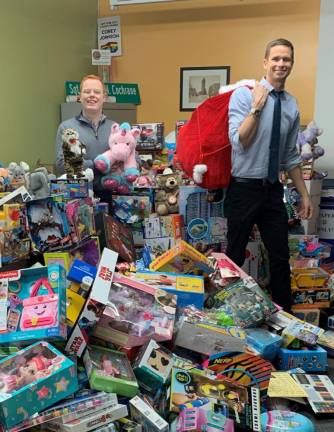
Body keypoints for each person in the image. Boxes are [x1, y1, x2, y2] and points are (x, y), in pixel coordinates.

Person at [224, 38, 313, 312]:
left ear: (291, 65)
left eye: (286, 59)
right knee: (234, 256)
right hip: (243, 189)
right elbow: (239, 141)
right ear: (265, 62)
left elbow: (290, 157)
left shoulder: (291, 104)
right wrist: (257, 107)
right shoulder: (244, 95)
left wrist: (305, 195)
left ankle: (286, 318)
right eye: (275, 59)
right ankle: (228, 312)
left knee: (280, 256)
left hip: (273, 191)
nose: (280, 64)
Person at [55, 74, 113, 198]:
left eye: (97, 92)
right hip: (79, 199)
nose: (92, 95)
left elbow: (131, 158)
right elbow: (63, 164)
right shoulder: (68, 129)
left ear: (104, 97)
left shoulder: (115, 128)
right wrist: (98, 164)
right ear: (79, 96)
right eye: (87, 91)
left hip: (113, 197)